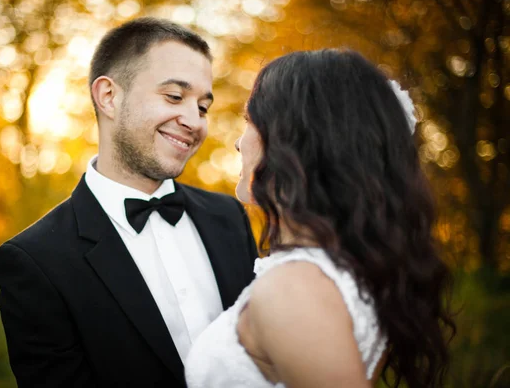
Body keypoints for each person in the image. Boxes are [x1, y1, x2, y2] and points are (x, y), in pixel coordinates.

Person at [0, 17, 258, 388]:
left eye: (202, 107)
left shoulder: (229, 216)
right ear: (109, 97)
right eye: (174, 97)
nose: (194, 121)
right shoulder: (36, 261)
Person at [185, 49, 456, 388]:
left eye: (250, 122)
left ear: (292, 142)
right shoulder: (352, 269)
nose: (240, 143)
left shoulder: (294, 288)